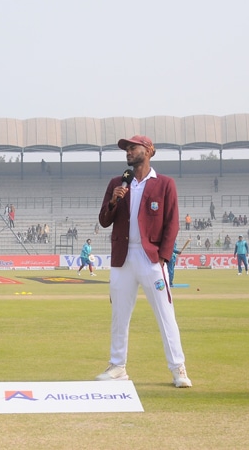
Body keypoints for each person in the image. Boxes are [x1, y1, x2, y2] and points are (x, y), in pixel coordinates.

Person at [96, 134, 191, 388]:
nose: (128, 151)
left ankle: (178, 368)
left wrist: (163, 257)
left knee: (165, 313)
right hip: (122, 257)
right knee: (119, 314)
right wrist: (115, 199)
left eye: (132, 147)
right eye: (126, 149)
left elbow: (172, 223)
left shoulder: (164, 184)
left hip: (150, 258)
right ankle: (117, 367)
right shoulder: (118, 182)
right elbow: (104, 220)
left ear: (148, 151)